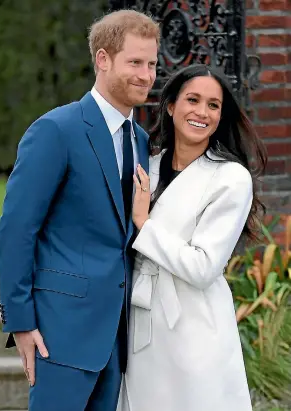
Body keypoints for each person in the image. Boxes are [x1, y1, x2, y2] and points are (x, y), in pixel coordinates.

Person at [0, 9, 159, 411]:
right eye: (135, 62)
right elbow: (16, 231)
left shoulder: (140, 140)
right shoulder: (56, 130)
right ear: (103, 59)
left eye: (152, 63)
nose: (146, 74)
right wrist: (21, 321)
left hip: (118, 338)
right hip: (60, 331)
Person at [117, 64, 267, 411]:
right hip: (141, 322)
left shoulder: (230, 179)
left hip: (195, 324)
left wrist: (144, 221)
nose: (202, 112)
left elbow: (203, 266)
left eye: (213, 105)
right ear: (171, 106)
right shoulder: (147, 166)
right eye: (193, 100)